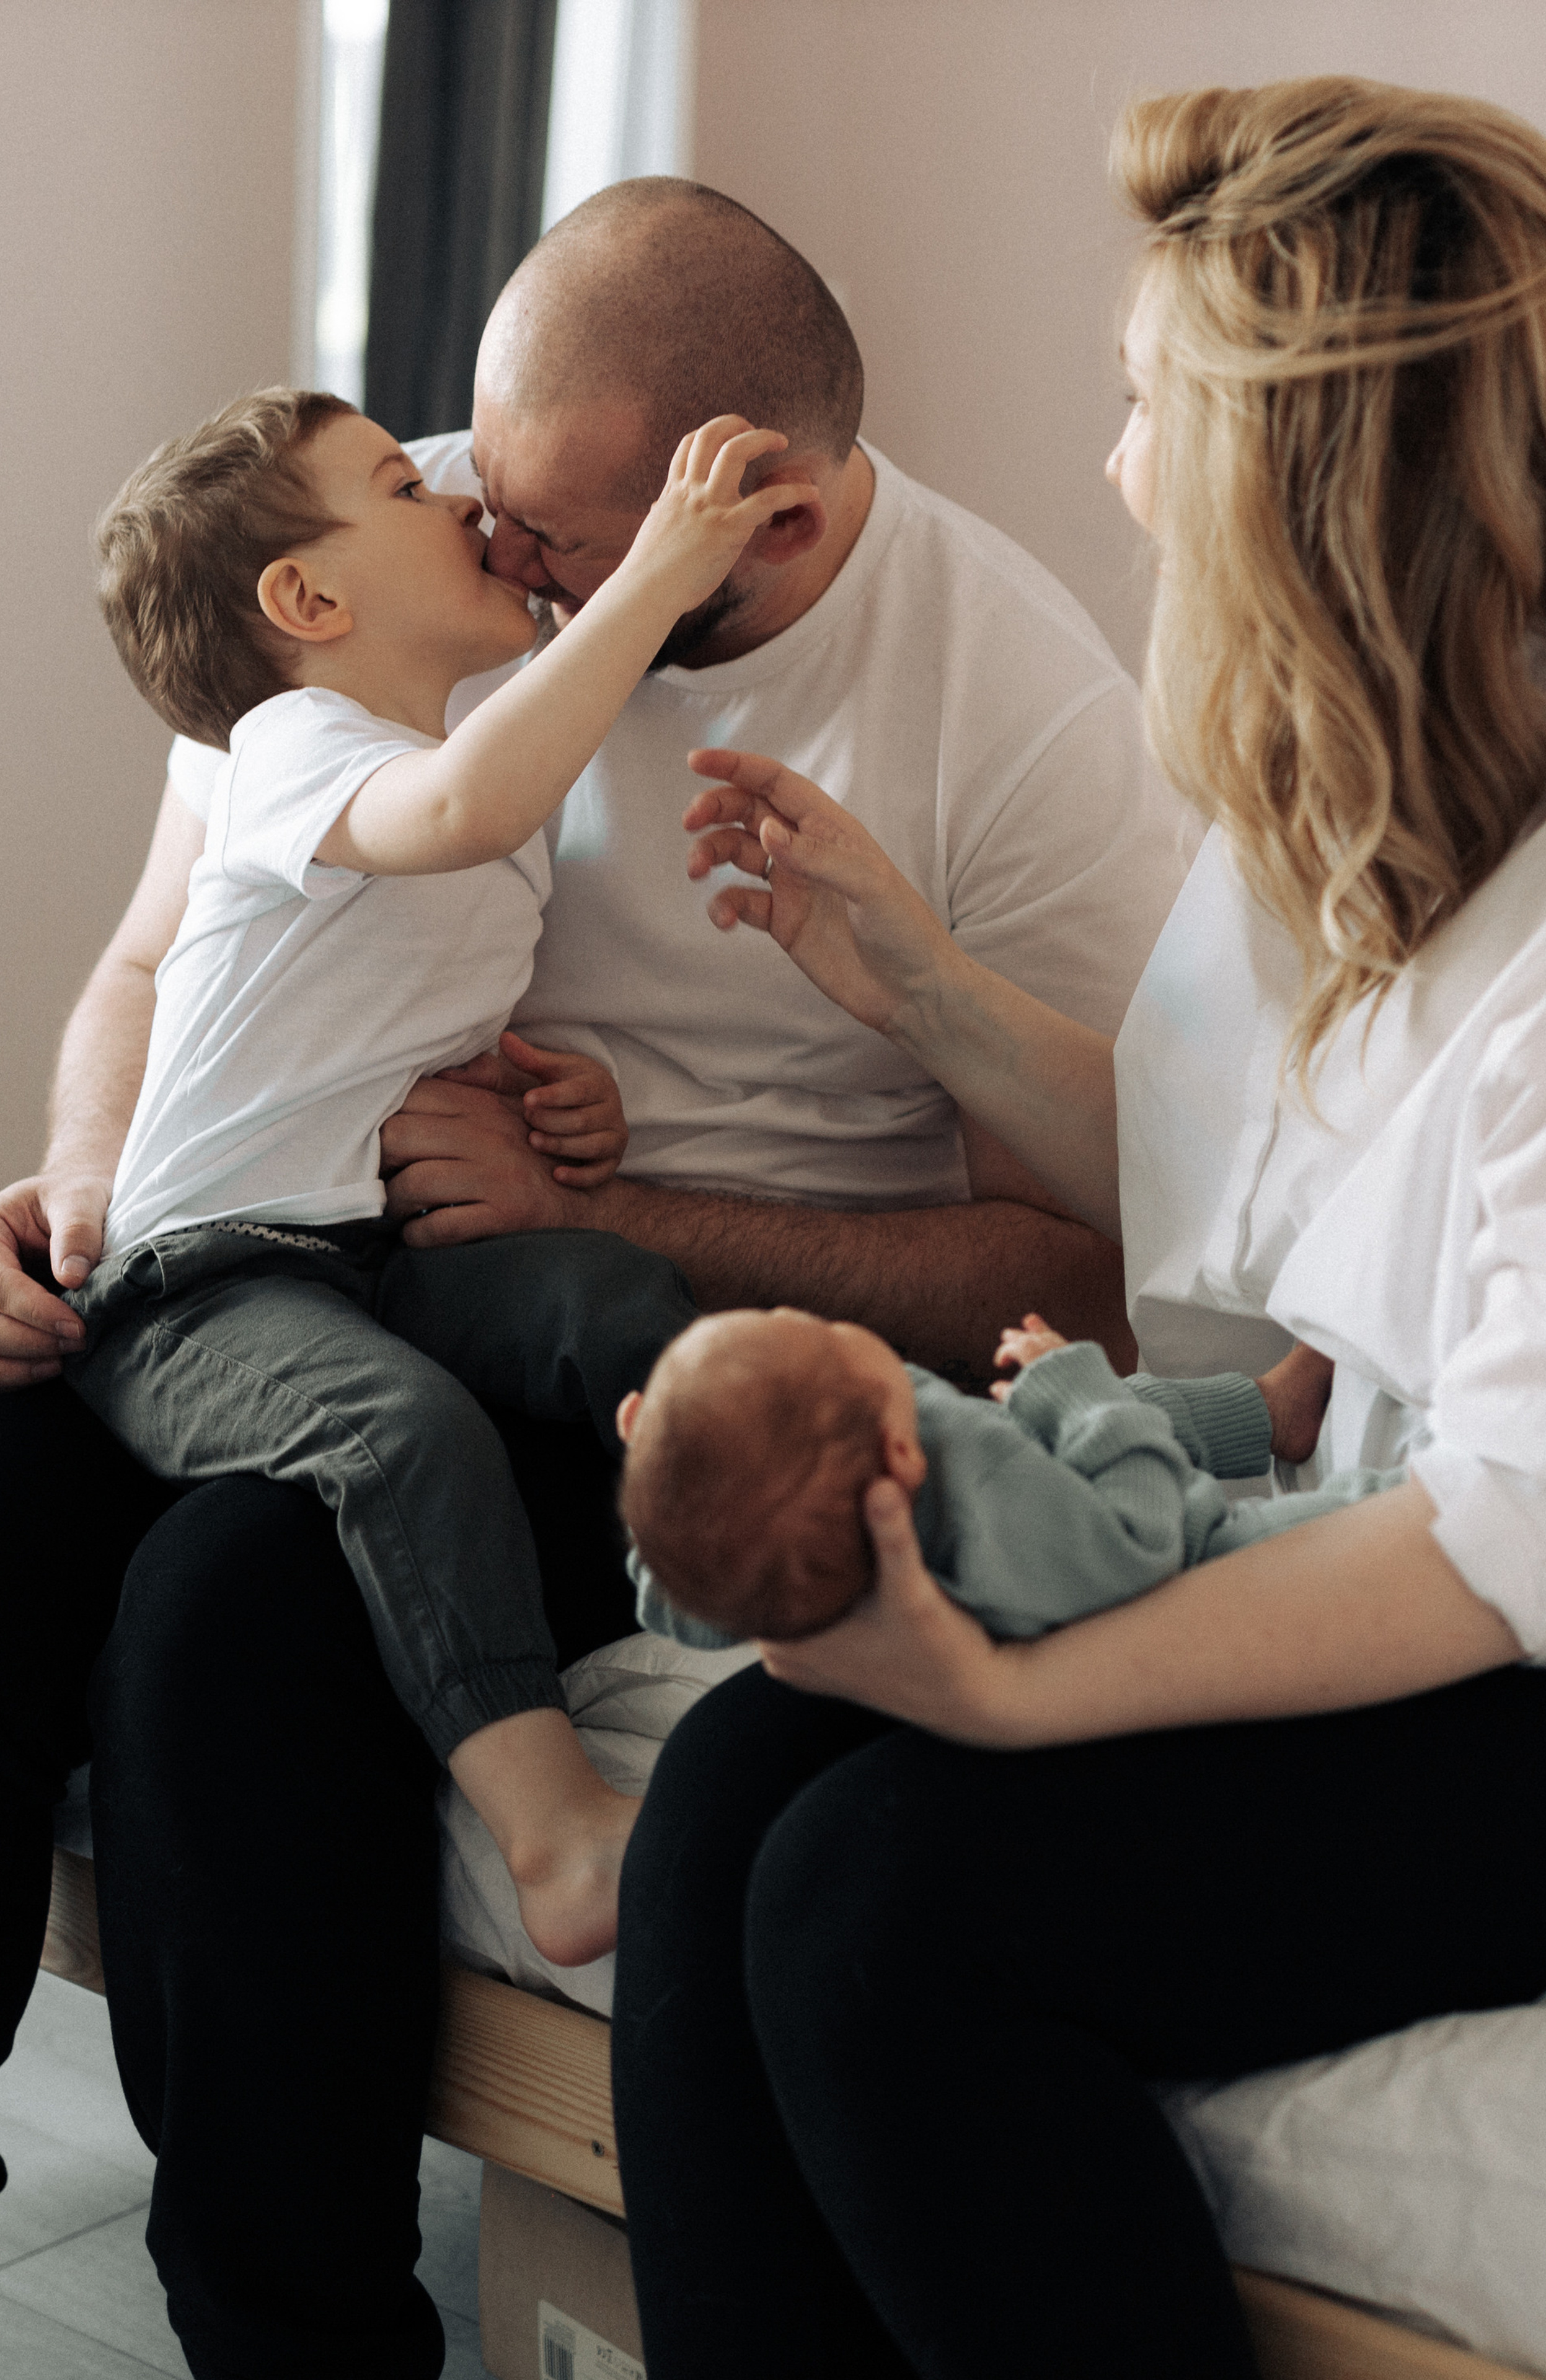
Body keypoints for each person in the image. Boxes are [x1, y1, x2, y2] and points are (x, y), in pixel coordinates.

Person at [0, 179, 1190, 2376]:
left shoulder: (1013, 712)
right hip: (272, 1251)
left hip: (608, 1341)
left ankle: (296, 2340)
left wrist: (607, 1223)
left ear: (773, 528)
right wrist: (75, 1183)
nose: (503, 557)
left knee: (229, 1619)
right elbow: (159, 958)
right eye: (476, 489)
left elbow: (1097, 1276)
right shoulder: (423, 544)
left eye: (564, 538)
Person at [609, 82, 1546, 2378]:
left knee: (877, 1917)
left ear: (1291, 500)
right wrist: (919, 988)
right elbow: (1242, 1184)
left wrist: (1005, 1686)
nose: (1116, 466)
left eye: (1146, 407)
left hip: (1534, 1674)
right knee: (731, 1790)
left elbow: (1514, 1535)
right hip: (1362, 1540)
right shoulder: (1351, 786)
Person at [69, 395, 797, 1962]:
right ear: (307, 604)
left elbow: (403, 1014)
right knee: (398, 1432)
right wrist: (647, 578)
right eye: (405, 487)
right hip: (200, 1286)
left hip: (363, 1250)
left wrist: (563, 1101)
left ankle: (767, 1591)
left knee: (605, 1300)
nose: (461, 501)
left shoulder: (439, 769)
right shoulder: (282, 750)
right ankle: (556, 1830)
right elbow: (468, 804)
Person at [621, 1312, 1363, 1646]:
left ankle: (1270, 1410)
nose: (826, 1322)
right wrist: (1072, 1383)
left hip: (1072, 1538)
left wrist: (661, 1477)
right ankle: (1426, 1482)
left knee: (1106, 1413)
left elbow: (680, 1599)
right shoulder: (990, 1491)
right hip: (1187, 1572)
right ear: (901, 1456)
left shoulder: (757, 1569)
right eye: (822, 1336)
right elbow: (1144, 1543)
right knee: (1103, 1417)